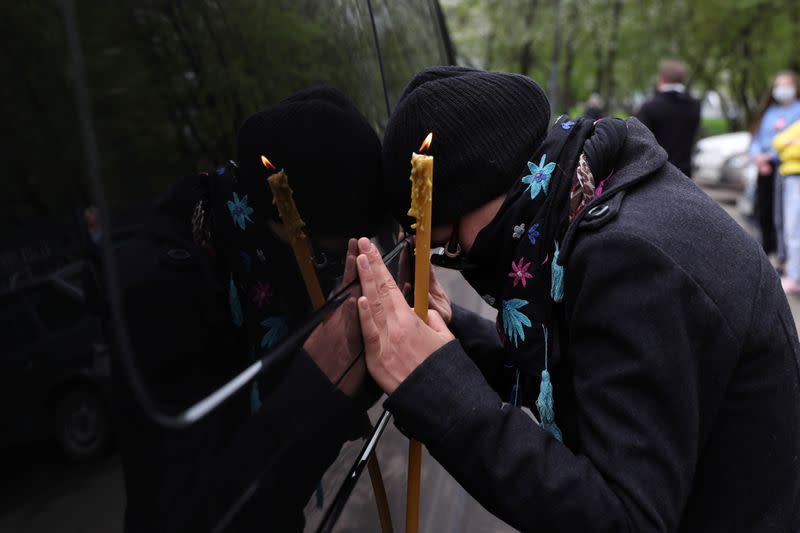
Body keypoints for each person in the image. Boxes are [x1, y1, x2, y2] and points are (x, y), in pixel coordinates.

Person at [355, 66, 800, 532]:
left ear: (482, 190)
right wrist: (454, 339)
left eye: (451, 248)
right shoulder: (599, 196)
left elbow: (622, 518)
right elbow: (589, 375)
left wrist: (436, 386)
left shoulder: (630, 262)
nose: (460, 260)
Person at [111, 86, 388, 532]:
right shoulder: (158, 290)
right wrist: (324, 381)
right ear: (279, 216)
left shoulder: (246, 254)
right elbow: (187, 515)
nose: (338, 283)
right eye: (326, 259)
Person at [750, 70, 800, 257]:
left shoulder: (798, 111)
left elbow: (790, 142)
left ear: (794, 87)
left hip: (786, 170)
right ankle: (765, 250)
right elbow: (757, 139)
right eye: (778, 85)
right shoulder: (770, 112)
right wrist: (758, 157)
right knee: (763, 212)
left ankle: (783, 256)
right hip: (764, 168)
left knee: (785, 218)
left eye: (785, 85)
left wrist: (770, 156)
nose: (781, 89)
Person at [635, 60, 701, 177]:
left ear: (661, 79)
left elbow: (638, 142)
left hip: (657, 175)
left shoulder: (650, 107)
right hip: (685, 175)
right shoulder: (694, 106)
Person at [774, 118, 800, 295]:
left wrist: (790, 146)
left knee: (795, 230)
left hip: (796, 177)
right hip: (790, 177)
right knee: (791, 229)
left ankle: (795, 277)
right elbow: (777, 142)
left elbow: (792, 150)